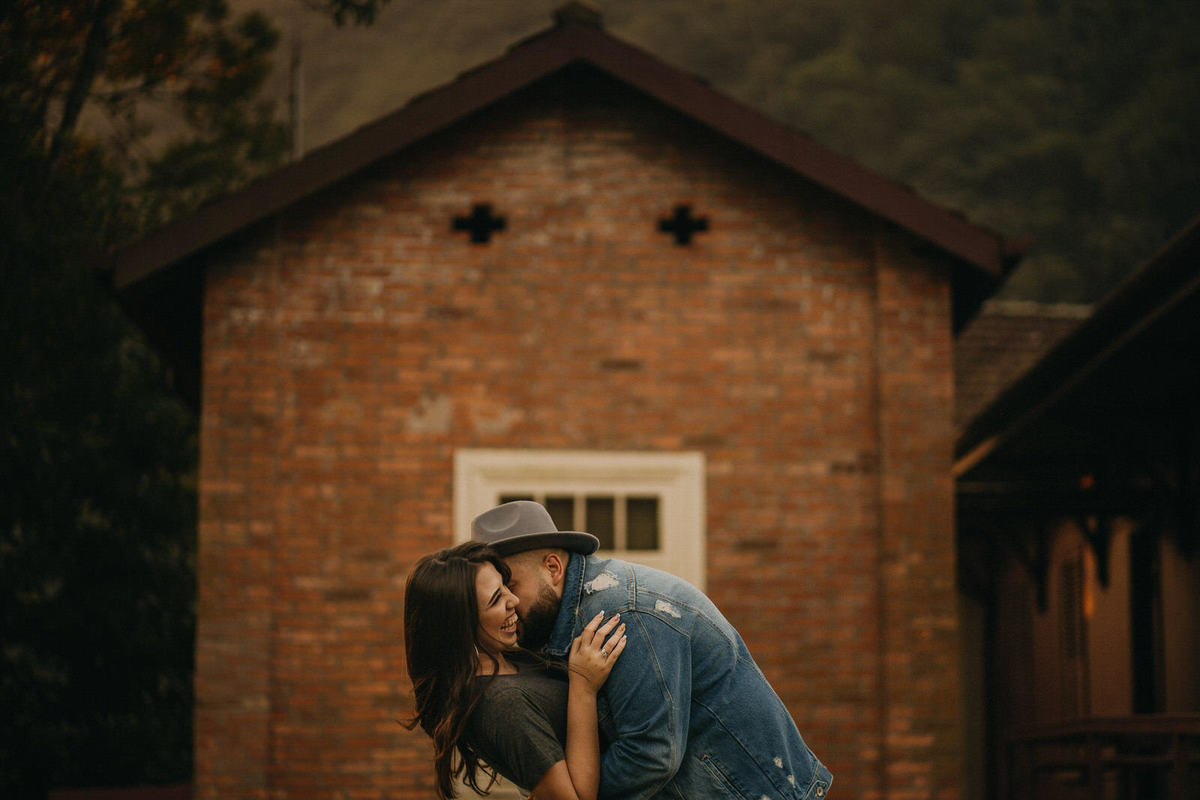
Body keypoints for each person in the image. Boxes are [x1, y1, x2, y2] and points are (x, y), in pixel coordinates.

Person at [472, 500, 833, 800]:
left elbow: (651, 755)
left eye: (511, 585)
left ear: (552, 567)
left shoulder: (621, 613)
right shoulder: (562, 619)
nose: (509, 602)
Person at [404, 540, 627, 800]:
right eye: (496, 599)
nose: (514, 600)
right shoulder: (501, 704)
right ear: (460, 625)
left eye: (506, 587)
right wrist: (584, 687)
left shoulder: (510, 658)